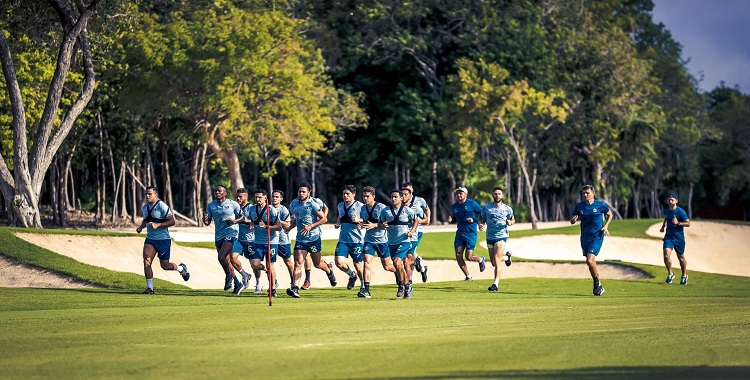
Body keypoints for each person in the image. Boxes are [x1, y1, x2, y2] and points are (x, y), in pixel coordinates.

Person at [286, 182, 337, 298]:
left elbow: (324, 219)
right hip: (301, 239)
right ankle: (295, 288)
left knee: (317, 264)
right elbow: (297, 219)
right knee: (298, 263)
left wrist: (311, 226)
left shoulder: (313, 204)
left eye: (304, 191)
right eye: (300, 191)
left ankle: (329, 270)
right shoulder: (294, 204)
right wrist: (290, 227)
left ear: (309, 193)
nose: (301, 193)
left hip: (314, 239)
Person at [136, 186, 189, 294]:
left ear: (155, 195)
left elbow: (172, 221)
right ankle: (150, 289)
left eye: (149, 194)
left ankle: (181, 268)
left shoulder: (162, 206)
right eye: (146, 194)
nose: (147, 196)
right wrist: (141, 227)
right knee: (147, 262)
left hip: (163, 240)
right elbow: (146, 218)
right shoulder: (145, 207)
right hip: (150, 239)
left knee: (165, 265)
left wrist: (158, 225)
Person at [570, 184, 613, 296]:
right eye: (583, 193)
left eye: (587, 193)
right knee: (590, 262)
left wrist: (606, 226)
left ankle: (596, 283)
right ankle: (598, 284)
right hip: (585, 237)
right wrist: (573, 220)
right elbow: (572, 220)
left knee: (590, 260)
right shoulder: (579, 206)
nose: (585, 195)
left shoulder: (600, 205)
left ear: (593, 193)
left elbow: (610, 215)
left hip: (597, 236)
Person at [203, 185, 245, 295]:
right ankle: (237, 283)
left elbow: (242, 217)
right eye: (216, 191)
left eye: (219, 191)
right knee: (226, 262)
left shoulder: (233, 204)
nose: (217, 192)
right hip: (218, 236)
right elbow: (207, 222)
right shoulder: (211, 205)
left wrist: (234, 221)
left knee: (221, 257)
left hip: (231, 233)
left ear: (225, 193)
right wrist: (205, 220)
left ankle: (228, 276)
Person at [379, 189, 419, 299]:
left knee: (397, 261)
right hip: (391, 243)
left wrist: (412, 231)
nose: (393, 199)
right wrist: (383, 225)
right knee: (399, 266)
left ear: (401, 198)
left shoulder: (407, 210)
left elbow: (416, 220)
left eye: (396, 196)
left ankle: (401, 285)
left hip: (404, 241)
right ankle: (407, 288)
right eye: (392, 197)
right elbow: (380, 223)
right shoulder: (385, 211)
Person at [358, 186, 397, 298]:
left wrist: (374, 225)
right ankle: (366, 290)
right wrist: (360, 225)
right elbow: (365, 221)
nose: (365, 198)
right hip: (369, 240)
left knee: (387, 266)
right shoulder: (363, 208)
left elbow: (386, 224)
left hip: (382, 241)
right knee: (366, 263)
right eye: (364, 196)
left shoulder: (382, 208)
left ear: (373, 196)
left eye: (367, 196)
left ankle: (398, 271)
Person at [479, 187, 514, 292]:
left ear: (502, 196)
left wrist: (510, 222)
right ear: (492, 195)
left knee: (496, 258)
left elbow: (512, 219)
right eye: (495, 194)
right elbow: (481, 218)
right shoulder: (487, 208)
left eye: (499, 194)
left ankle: (495, 284)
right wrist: (480, 224)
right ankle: (507, 258)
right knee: (494, 262)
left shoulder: (507, 209)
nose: (497, 196)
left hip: (501, 236)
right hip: (490, 237)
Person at [247, 189, 281, 297]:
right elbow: (252, 219)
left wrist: (267, 227)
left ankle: (273, 288)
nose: (257, 199)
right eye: (256, 197)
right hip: (257, 242)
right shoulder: (252, 209)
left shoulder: (271, 210)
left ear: (265, 198)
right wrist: (252, 225)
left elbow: (279, 226)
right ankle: (266, 270)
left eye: (260, 197)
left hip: (271, 242)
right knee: (255, 264)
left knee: (270, 266)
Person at [448, 186, 486, 281]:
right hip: (460, 232)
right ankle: (468, 276)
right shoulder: (454, 206)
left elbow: (483, 215)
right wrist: (451, 219)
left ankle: (480, 259)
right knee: (458, 254)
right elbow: (454, 218)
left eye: (461, 193)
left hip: (471, 233)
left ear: (466, 194)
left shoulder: (472, 203)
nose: (459, 195)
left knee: (469, 256)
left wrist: (474, 219)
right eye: (457, 193)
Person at [334, 185, 365, 292]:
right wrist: (338, 223)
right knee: (338, 262)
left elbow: (366, 220)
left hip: (356, 241)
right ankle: (352, 275)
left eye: (348, 194)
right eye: (344, 194)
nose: (345, 196)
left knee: (358, 264)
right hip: (343, 240)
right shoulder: (340, 205)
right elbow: (340, 216)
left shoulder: (360, 206)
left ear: (354, 195)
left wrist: (359, 220)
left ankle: (363, 286)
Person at [300, 197, 333, 290]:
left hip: (315, 234)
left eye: (304, 191)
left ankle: (328, 268)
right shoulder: (297, 202)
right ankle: (307, 280)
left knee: (316, 261)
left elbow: (326, 208)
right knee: (306, 256)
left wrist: (323, 217)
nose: (302, 193)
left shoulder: (316, 201)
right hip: (303, 235)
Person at [660, 192, 691, 285]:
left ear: (676, 201)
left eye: (672, 200)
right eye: (669, 199)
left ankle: (684, 275)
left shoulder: (681, 212)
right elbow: (666, 218)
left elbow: (688, 223)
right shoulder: (666, 210)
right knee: (666, 255)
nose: (670, 201)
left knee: (681, 258)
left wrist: (678, 223)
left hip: (679, 239)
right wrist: (663, 226)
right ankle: (670, 273)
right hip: (668, 237)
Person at [401, 182, 429, 283]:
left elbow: (427, 208)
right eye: (403, 191)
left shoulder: (419, 201)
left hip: (417, 231)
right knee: (409, 255)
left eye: (407, 190)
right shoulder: (401, 203)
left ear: (412, 189)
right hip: (404, 233)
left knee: (408, 256)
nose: (405, 193)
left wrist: (427, 219)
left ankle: (409, 279)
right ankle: (420, 266)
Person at [272, 190, 296, 291]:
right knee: (270, 263)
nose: (274, 198)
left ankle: (294, 283)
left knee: (288, 262)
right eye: (273, 196)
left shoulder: (283, 210)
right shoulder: (268, 209)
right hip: (272, 240)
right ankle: (273, 282)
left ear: (281, 199)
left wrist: (277, 221)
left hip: (283, 240)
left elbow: (288, 224)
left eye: (277, 197)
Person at [233, 188, 255, 291]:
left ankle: (268, 277)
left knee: (255, 265)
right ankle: (244, 275)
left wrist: (245, 221)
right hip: (239, 240)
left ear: (246, 197)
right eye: (237, 196)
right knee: (232, 258)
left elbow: (256, 221)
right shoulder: (236, 207)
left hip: (251, 240)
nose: (238, 198)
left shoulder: (251, 208)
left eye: (240, 196)